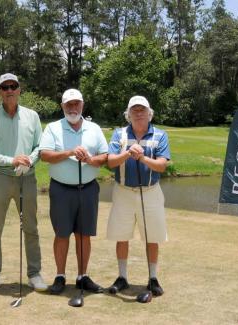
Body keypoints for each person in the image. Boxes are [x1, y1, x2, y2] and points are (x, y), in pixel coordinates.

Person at [0, 73, 47, 293]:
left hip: (27, 177)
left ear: (19, 89)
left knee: (31, 227)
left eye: (13, 86)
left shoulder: (32, 116)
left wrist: (28, 160)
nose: (9, 90)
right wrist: (11, 160)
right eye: (5, 87)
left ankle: (34, 273)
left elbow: (40, 146)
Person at [39, 89, 108, 295]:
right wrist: (70, 152)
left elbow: (104, 156)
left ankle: (82, 276)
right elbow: (45, 155)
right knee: (62, 234)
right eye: (68, 104)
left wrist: (88, 159)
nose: (73, 108)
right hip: (61, 189)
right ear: (62, 107)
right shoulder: (53, 128)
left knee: (83, 234)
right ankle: (60, 276)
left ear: (82, 105)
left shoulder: (94, 128)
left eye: (76, 104)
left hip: (87, 189)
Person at [105, 95, 170, 296]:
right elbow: (111, 162)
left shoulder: (159, 135)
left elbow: (162, 165)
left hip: (150, 192)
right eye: (135, 110)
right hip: (123, 191)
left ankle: (152, 278)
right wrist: (128, 153)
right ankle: (122, 277)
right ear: (129, 114)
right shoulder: (120, 134)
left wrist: (142, 157)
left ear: (149, 113)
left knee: (152, 237)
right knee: (121, 235)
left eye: (142, 110)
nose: (139, 113)